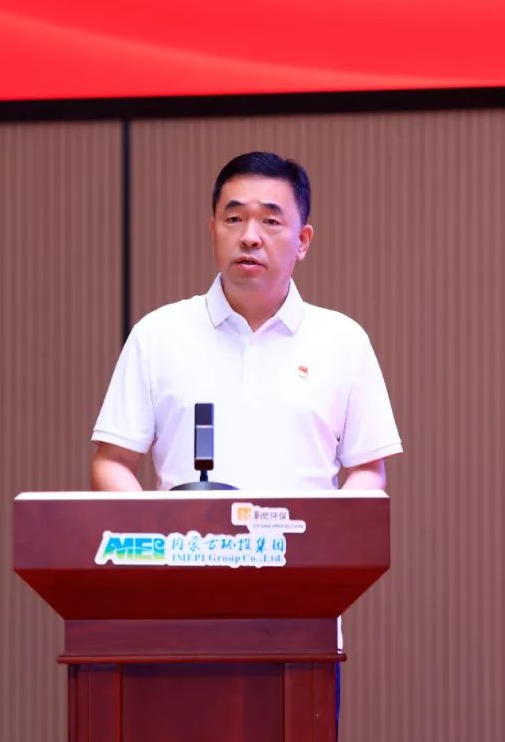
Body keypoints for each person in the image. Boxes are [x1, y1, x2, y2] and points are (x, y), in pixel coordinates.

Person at [91, 151, 401, 491]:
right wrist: (156, 526)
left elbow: (368, 471)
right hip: (186, 529)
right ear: (213, 231)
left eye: (270, 222)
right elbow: (113, 462)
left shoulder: (344, 341)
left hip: (305, 529)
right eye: (234, 218)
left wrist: (327, 528)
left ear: (302, 241)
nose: (250, 237)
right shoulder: (157, 335)